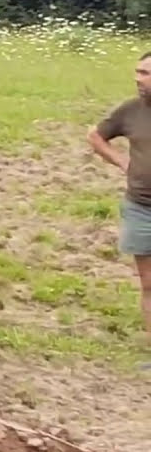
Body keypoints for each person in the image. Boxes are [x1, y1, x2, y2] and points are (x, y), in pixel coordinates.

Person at [87, 51, 151, 366]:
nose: (139, 79)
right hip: (141, 207)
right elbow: (96, 136)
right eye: (138, 72)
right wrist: (122, 161)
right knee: (149, 283)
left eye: (147, 74)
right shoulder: (130, 111)